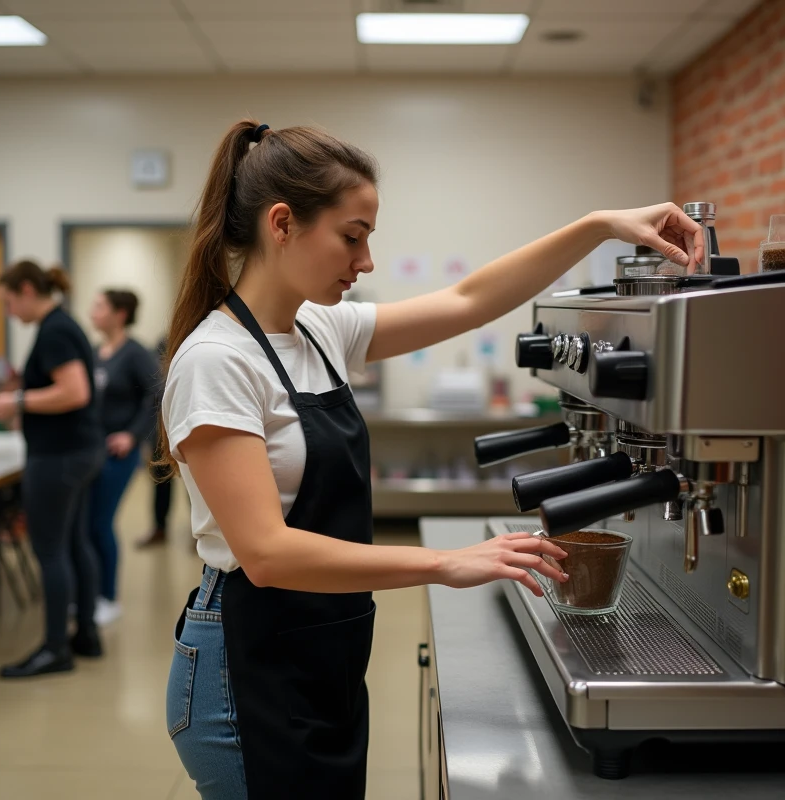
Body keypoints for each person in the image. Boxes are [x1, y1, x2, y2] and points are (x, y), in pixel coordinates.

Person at [159, 120, 705, 798]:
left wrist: (597, 226)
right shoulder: (217, 362)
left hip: (315, 653)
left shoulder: (318, 329)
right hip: (242, 666)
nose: (365, 262)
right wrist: (446, 564)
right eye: (352, 236)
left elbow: (468, 300)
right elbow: (266, 553)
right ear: (282, 224)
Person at [0, 262, 104, 679]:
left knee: (50, 551)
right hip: (80, 451)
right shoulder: (62, 325)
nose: (9, 311)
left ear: (27, 290)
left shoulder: (54, 329)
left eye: (8, 301)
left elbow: (74, 391)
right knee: (74, 544)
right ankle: (85, 634)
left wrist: (17, 402)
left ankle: (55, 648)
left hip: (58, 457)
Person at [87, 289, 157, 624]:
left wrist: (131, 434)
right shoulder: (96, 352)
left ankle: (108, 598)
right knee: (87, 524)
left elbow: (155, 395)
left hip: (118, 455)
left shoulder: (135, 353)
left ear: (120, 313)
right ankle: (89, 593)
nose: (93, 312)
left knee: (101, 522)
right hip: (91, 450)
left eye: (100, 306)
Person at [136, 336, 171, 550]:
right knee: (160, 479)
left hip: (188, 426)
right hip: (160, 430)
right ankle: (159, 528)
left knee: (194, 483)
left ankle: (198, 533)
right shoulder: (162, 342)